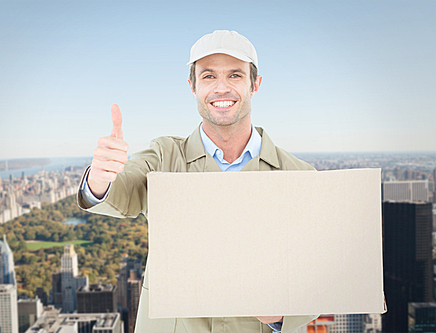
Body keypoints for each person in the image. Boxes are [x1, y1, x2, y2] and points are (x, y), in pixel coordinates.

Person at [77, 30, 319, 333]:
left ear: (255, 85)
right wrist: (100, 180)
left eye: (234, 75)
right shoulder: (164, 156)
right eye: (208, 76)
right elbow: (124, 191)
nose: (221, 88)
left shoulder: (300, 176)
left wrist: (282, 316)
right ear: (192, 86)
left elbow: (321, 276)